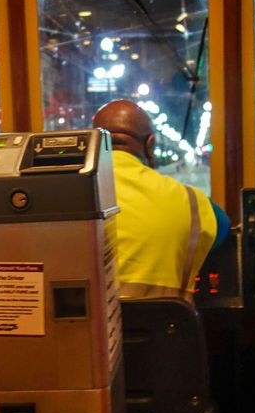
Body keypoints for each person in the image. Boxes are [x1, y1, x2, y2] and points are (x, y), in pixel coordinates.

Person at [92, 99, 229, 302]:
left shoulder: (62, 197)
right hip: (170, 331)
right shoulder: (192, 202)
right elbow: (223, 229)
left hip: (80, 333)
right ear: (150, 146)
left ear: (92, 143)